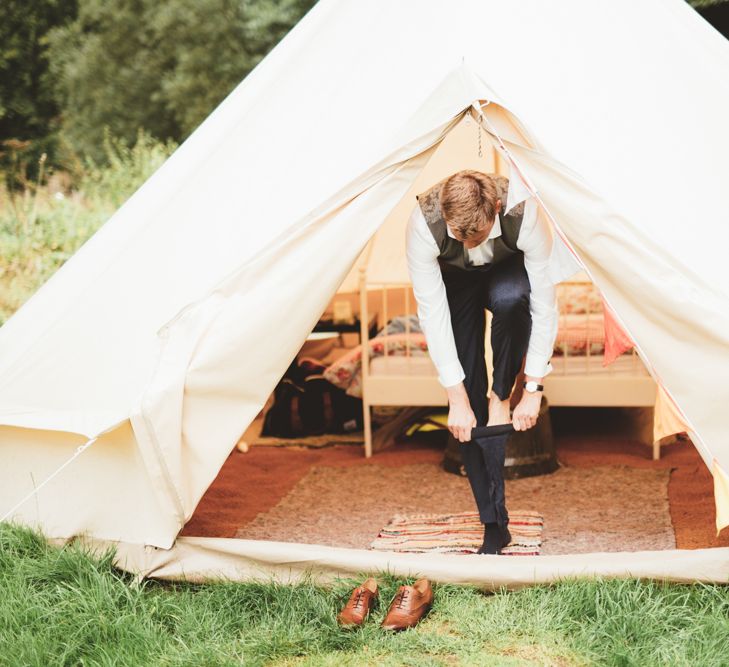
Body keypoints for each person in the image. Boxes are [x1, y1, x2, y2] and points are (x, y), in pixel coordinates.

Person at [405, 169, 579, 554]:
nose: (468, 247)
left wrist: (532, 389)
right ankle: (493, 523)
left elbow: (544, 307)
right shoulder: (423, 224)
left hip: (508, 274)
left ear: (497, 209)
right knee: (465, 403)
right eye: (457, 238)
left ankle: (500, 395)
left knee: (512, 300)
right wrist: (457, 398)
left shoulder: (523, 212)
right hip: (454, 284)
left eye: (477, 237)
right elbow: (432, 313)